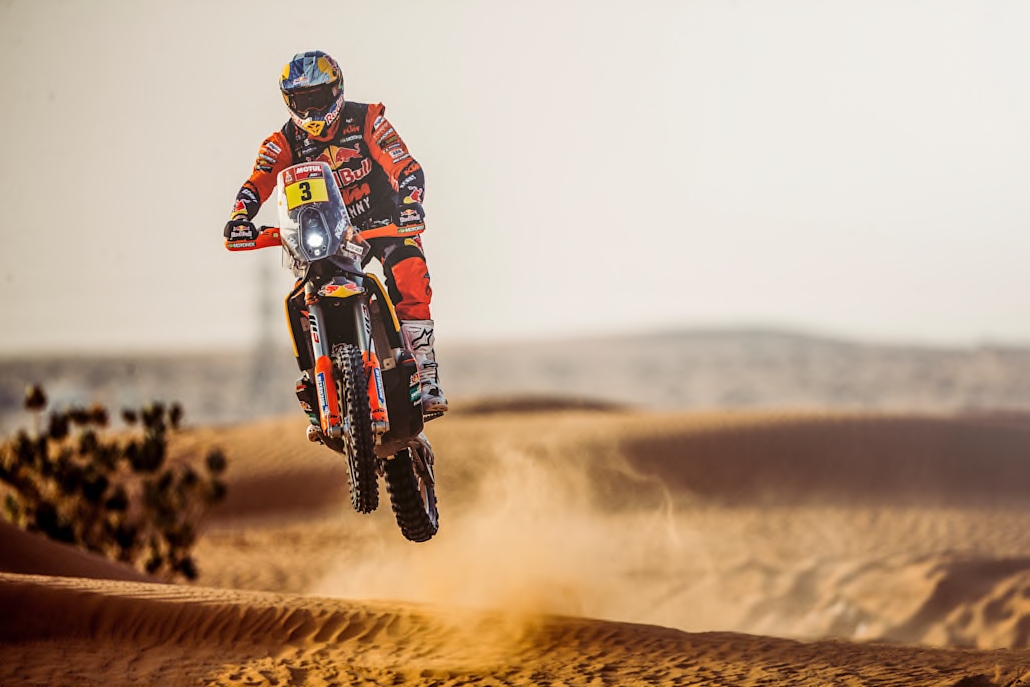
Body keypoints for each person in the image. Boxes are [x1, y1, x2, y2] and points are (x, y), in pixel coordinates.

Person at [224, 50, 448, 433]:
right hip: (326, 232)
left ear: (336, 90)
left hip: (381, 221)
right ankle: (315, 385)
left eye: (317, 97)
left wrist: (411, 202)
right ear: (289, 102)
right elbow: (257, 181)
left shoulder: (368, 119)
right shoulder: (282, 142)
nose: (311, 109)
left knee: (409, 270)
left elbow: (405, 165)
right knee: (301, 296)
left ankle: (425, 374)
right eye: (302, 100)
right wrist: (240, 216)